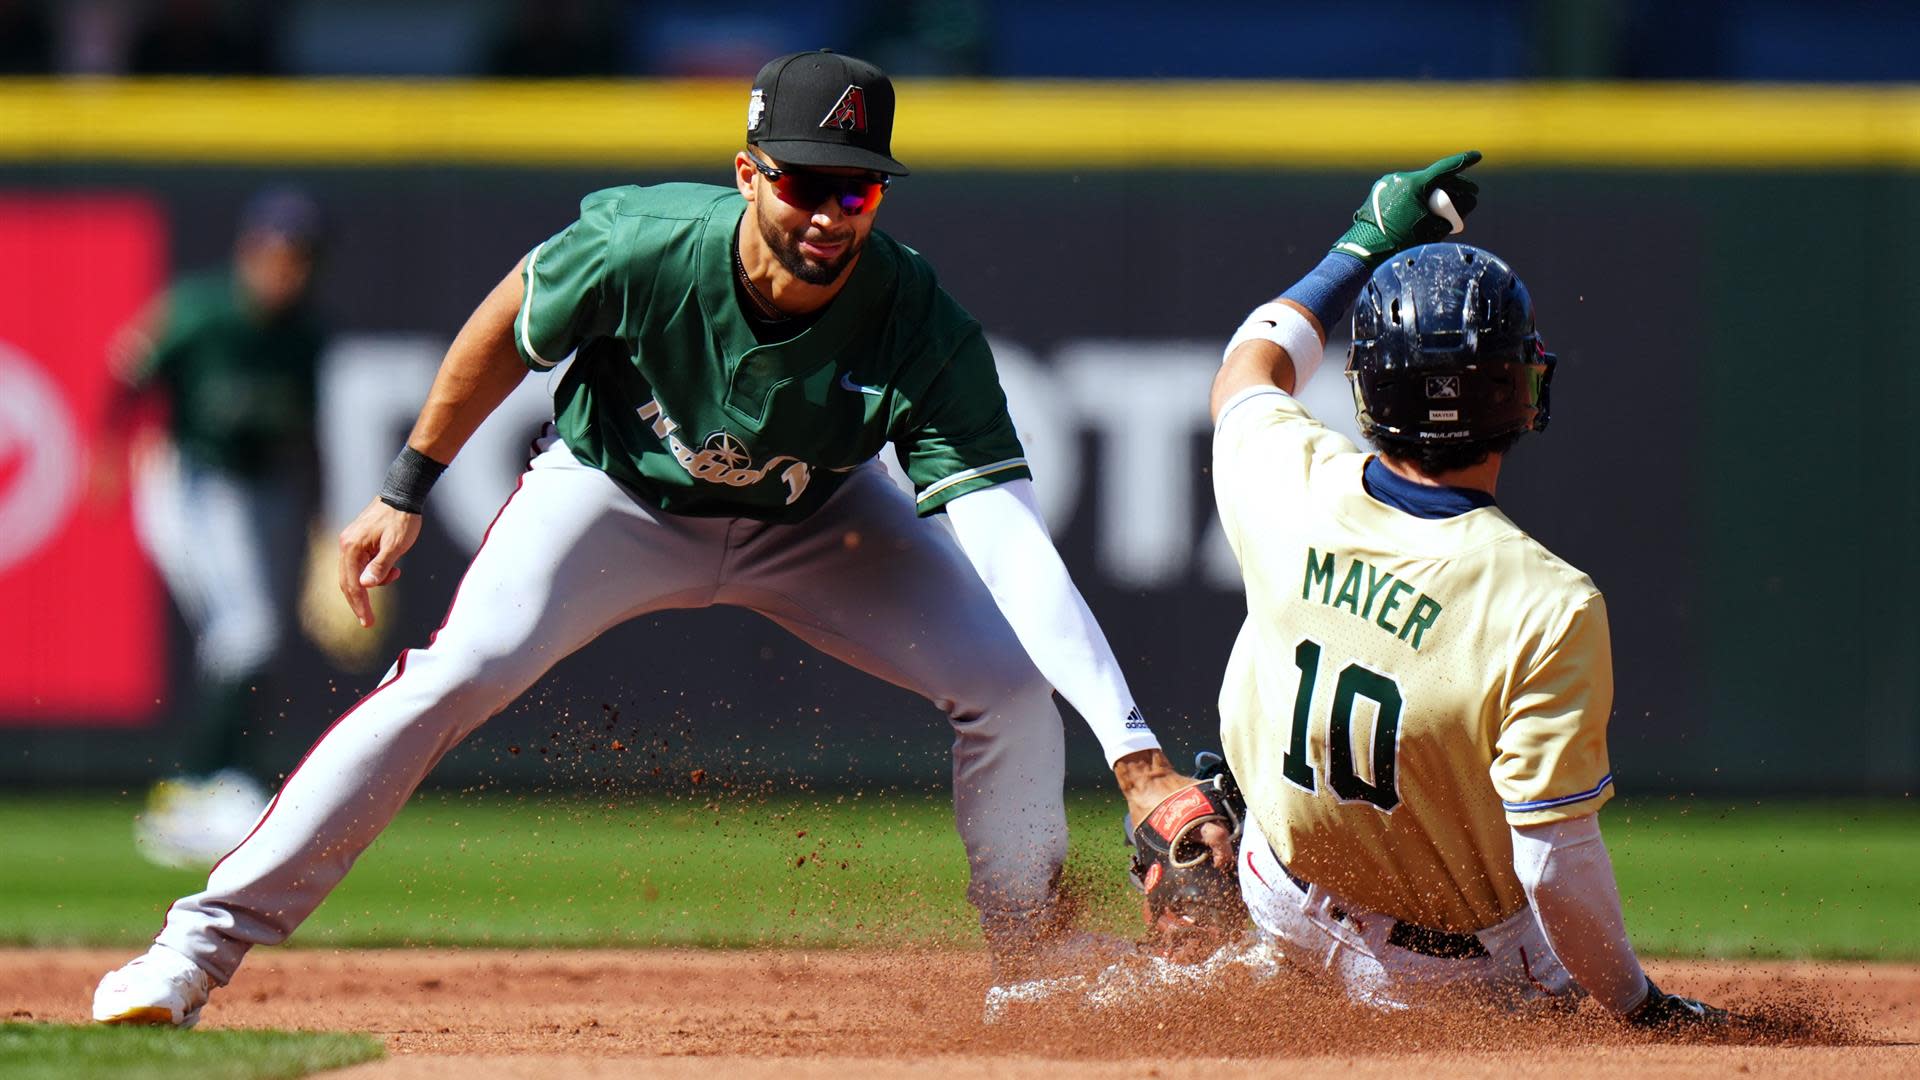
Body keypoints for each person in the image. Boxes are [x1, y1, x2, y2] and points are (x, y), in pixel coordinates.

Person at [93, 49, 1226, 1028]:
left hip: (817, 518)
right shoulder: (646, 244)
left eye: (860, 193)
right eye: (805, 184)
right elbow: (510, 320)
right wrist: (406, 483)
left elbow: (1008, 541)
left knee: (1005, 684)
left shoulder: (915, 317)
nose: (830, 216)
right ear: (748, 174)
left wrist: (1134, 761)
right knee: (455, 675)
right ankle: (193, 949)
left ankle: (1027, 966)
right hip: (615, 495)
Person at [1206, 154, 1728, 1027]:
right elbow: (1554, 862)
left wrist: (1363, 242)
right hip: (1445, 981)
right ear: (1523, 392)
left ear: (1366, 389)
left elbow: (1246, 367)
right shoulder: (1547, 602)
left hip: (1277, 902)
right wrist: (1639, 1006)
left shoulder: (1285, 474)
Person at [105, 187, 328, 869]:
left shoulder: (304, 335)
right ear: (248, 250)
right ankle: (193, 788)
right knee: (245, 630)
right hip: (191, 479)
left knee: (258, 639)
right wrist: (105, 449)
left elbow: (306, 432)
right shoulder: (202, 310)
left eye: (298, 256)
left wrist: (321, 528)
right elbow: (128, 368)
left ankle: (226, 780)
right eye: (274, 251)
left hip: (267, 488)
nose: (283, 267)